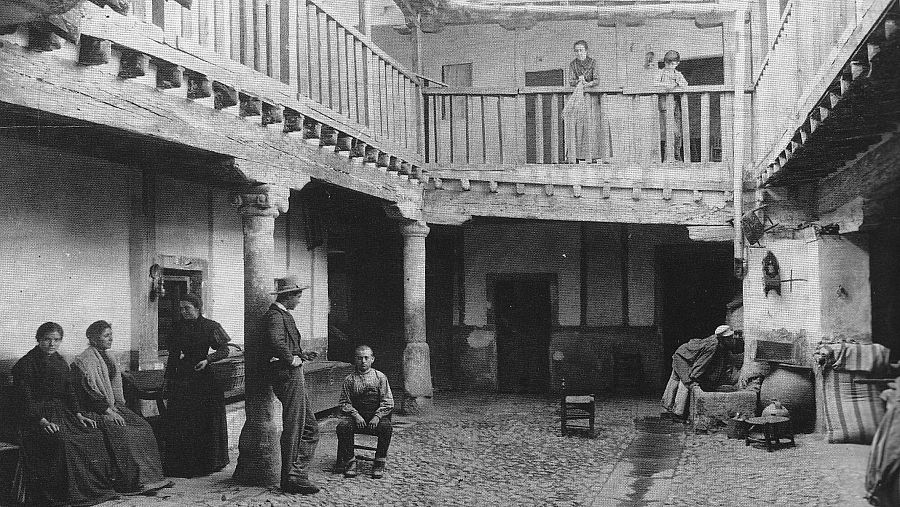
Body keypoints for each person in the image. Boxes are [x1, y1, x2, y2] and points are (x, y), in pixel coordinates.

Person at [12, 322, 119, 506]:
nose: (52, 344)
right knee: (64, 441)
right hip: (36, 418)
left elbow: (69, 391)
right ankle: (66, 494)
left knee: (93, 435)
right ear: (38, 340)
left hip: (63, 413)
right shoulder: (26, 364)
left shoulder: (60, 362)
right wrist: (43, 421)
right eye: (47, 339)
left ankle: (91, 490)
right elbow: (25, 399)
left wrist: (78, 414)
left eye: (56, 340)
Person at [71, 320, 168, 494]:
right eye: (106, 336)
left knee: (143, 427)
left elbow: (116, 383)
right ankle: (135, 482)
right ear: (93, 338)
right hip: (94, 409)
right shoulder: (84, 361)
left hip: (112, 405)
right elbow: (89, 392)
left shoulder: (110, 357)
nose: (111, 339)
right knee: (123, 430)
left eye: (111, 335)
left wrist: (116, 406)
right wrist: (108, 411)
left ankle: (153, 478)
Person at [163, 294, 231, 477]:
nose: (184, 312)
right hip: (182, 377)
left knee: (203, 419)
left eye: (187, 308)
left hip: (203, 377)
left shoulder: (211, 326)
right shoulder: (177, 327)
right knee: (182, 419)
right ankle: (183, 465)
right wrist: (168, 380)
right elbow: (173, 355)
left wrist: (208, 359)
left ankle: (207, 464)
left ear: (198, 308)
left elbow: (225, 349)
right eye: (181, 308)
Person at [264, 275, 320, 494]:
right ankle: (291, 478)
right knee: (296, 426)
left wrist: (300, 354)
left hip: (292, 372)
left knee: (309, 427)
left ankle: (296, 473)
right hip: (286, 374)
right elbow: (275, 340)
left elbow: (282, 342)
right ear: (289, 296)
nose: (299, 301)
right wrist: (290, 359)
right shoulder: (275, 316)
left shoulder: (282, 314)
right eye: (298, 296)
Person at [661, 325, 744, 420]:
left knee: (680, 378)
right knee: (687, 381)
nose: (732, 340)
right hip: (682, 357)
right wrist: (694, 379)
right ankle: (677, 413)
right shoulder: (713, 346)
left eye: (731, 338)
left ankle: (668, 408)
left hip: (686, 355)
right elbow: (700, 366)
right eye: (729, 339)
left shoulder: (720, 343)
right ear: (722, 339)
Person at [336, 345, 394, 479]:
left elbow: (388, 401)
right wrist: (356, 415)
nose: (363, 361)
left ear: (372, 359)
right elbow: (344, 402)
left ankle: (379, 461)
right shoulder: (349, 380)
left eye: (366, 358)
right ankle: (350, 461)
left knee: (386, 428)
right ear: (355, 360)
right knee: (343, 427)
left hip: (375, 417)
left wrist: (377, 416)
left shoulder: (380, 377)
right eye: (359, 358)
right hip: (357, 417)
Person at [564, 40, 600, 163]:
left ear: (586, 50)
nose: (579, 53)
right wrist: (578, 81)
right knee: (578, 126)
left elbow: (596, 80)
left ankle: (594, 156)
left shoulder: (593, 63)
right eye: (577, 51)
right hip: (578, 98)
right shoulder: (573, 64)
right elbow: (570, 80)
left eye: (581, 50)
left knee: (592, 125)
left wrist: (587, 83)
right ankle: (578, 156)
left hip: (591, 100)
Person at [653, 50, 689, 161]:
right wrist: (667, 85)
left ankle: (676, 156)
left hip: (676, 105)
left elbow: (685, 85)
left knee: (678, 133)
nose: (670, 66)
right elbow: (654, 83)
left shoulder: (677, 74)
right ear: (665, 62)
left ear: (677, 63)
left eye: (673, 64)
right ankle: (668, 158)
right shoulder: (661, 72)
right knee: (670, 131)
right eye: (668, 64)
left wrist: (678, 82)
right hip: (665, 105)